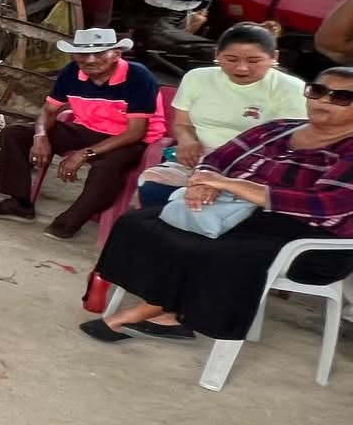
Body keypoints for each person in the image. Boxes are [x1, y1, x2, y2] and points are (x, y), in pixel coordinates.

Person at [78, 67, 353, 347]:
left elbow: (328, 205)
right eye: (318, 91)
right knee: (140, 223)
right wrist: (203, 181)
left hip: (311, 238)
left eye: (342, 97)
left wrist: (229, 185)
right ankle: (165, 312)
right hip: (244, 211)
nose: (324, 100)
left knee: (207, 248)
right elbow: (218, 158)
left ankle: (152, 312)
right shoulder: (278, 128)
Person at [0, 27, 162, 237]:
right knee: (16, 134)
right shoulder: (71, 72)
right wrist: (40, 136)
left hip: (128, 139)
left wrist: (84, 153)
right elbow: (48, 111)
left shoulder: (138, 75)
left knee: (107, 168)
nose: (90, 60)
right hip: (87, 129)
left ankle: (69, 223)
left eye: (99, 53)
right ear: (74, 55)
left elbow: (136, 132)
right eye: (83, 54)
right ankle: (19, 203)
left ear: (116, 54)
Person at [137, 22, 307, 207]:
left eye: (253, 61)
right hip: (198, 159)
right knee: (150, 189)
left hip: (254, 167)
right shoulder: (197, 78)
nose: (241, 68)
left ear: (274, 57)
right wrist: (187, 141)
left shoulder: (290, 88)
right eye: (231, 59)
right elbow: (182, 124)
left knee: (205, 205)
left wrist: (219, 179)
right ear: (217, 54)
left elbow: (286, 145)